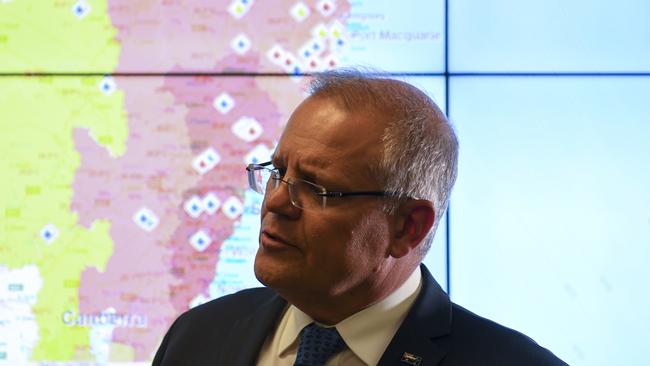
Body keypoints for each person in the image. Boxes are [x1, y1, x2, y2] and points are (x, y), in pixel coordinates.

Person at [152, 69, 568, 366]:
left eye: (314, 188)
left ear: (408, 227)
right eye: (278, 173)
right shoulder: (197, 337)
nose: (276, 202)